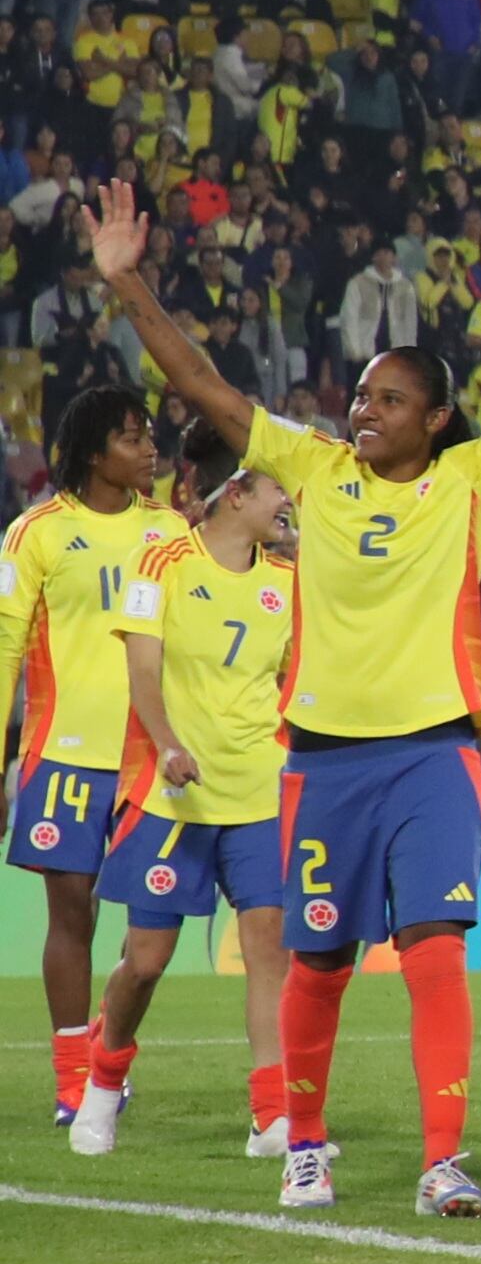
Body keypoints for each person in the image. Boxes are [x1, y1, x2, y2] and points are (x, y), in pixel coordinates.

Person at [84, 178, 481, 1215]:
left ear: (437, 417)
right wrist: (127, 283)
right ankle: (304, 1145)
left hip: (434, 755)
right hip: (320, 761)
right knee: (318, 955)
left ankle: (442, 1158)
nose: (364, 409)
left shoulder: (470, 483)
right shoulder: (314, 470)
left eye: (389, 398)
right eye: (360, 394)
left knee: (436, 949)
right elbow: (206, 388)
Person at [75, 422, 292, 1157]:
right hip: (175, 795)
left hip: (258, 792)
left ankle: (272, 1116)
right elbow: (142, 670)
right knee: (146, 961)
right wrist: (167, 743)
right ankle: (103, 1083)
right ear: (237, 494)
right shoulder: (161, 560)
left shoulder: (288, 581)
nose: (287, 506)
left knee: (270, 950)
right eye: (276, 493)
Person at [0, 382, 175, 1129]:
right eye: (134, 437)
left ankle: (108, 1052)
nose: (149, 449)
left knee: (149, 939)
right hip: (66, 753)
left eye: (150, 435)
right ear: (96, 450)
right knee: (71, 918)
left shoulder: (172, 532)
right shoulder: (36, 531)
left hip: (153, 762)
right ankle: (75, 1079)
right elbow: (6, 647)